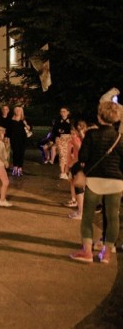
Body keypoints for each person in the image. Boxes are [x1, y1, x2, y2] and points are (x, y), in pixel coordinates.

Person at [69, 101, 123, 264]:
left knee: (87, 216)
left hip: (95, 179)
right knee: (112, 216)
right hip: (115, 181)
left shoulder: (92, 135)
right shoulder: (119, 137)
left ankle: (86, 251)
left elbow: (83, 157)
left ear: (100, 117)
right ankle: (106, 253)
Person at [6, 105, 29, 177]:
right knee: (15, 153)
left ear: (22, 111)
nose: (18, 112)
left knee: (21, 153)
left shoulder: (24, 120)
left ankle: (20, 168)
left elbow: (29, 128)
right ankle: (15, 167)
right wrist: (7, 138)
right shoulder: (11, 120)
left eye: (20, 110)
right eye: (17, 110)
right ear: (15, 111)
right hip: (14, 139)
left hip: (22, 139)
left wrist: (26, 124)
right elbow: (8, 131)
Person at [51, 107, 73, 179]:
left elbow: (73, 130)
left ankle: (66, 172)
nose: (62, 113)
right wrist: (58, 131)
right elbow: (54, 130)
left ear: (68, 112)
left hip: (69, 139)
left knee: (68, 155)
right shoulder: (57, 121)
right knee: (62, 155)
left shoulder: (71, 121)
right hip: (60, 139)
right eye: (61, 111)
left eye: (64, 111)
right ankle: (62, 172)